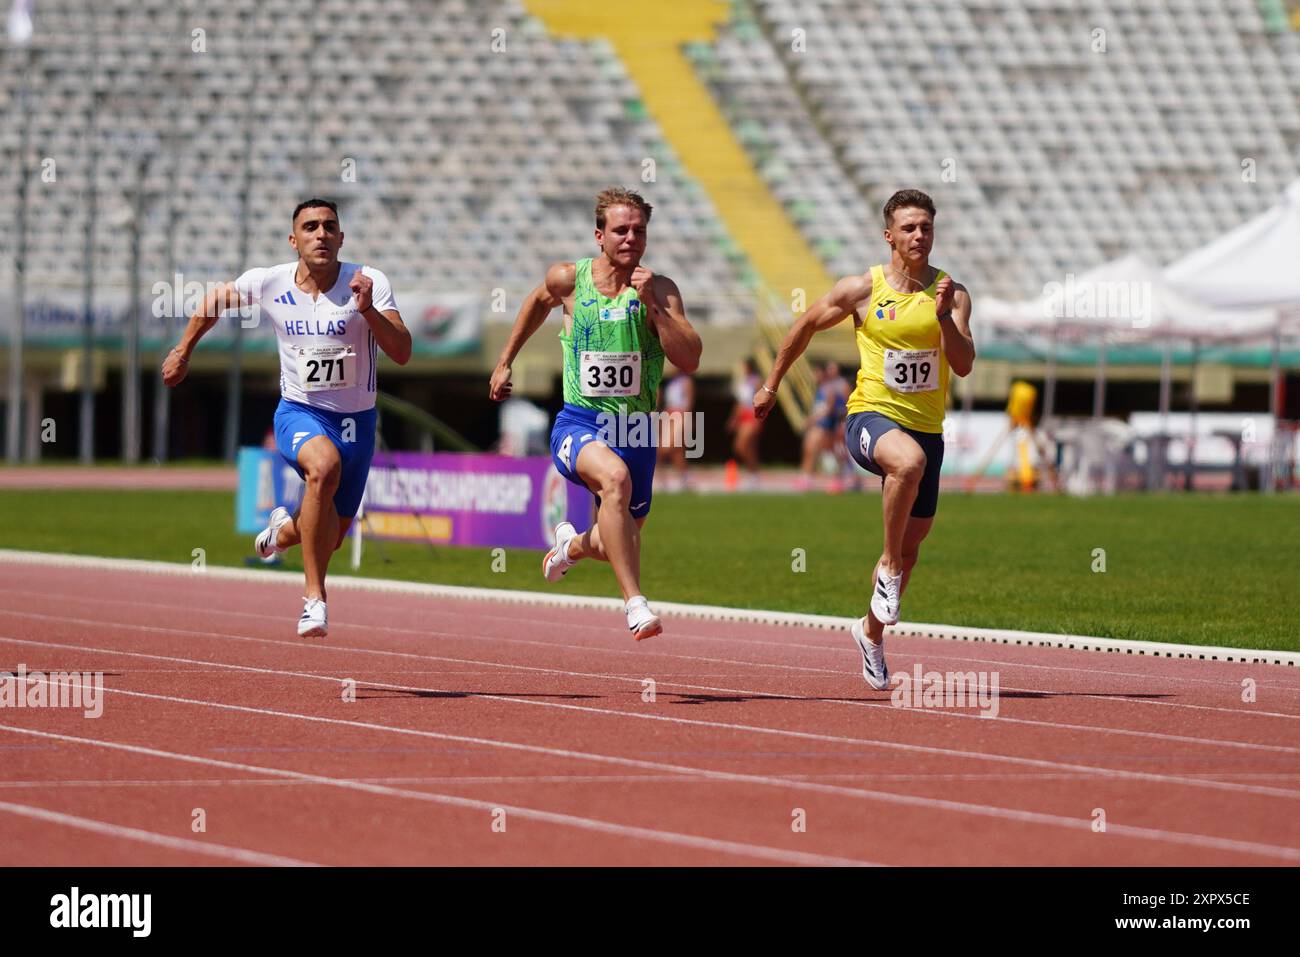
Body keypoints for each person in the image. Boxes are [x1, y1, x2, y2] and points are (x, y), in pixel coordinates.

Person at [754, 189, 975, 688]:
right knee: (908, 464)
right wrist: (771, 385)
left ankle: (870, 632)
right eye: (910, 227)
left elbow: (962, 365)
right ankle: (888, 567)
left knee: (916, 538)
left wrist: (942, 317)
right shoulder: (863, 289)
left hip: (926, 426)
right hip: (869, 417)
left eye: (927, 227)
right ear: (889, 236)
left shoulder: (952, 294)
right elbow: (805, 325)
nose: (920, 235)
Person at [162, 198, 410, 638]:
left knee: (329, 535)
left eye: (330, 227)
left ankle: (280, 532)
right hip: (300, 411)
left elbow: (402, 352)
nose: (321, 234)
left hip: (358, 423)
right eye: (311, 227)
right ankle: (315, 598)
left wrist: (368, 309)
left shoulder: (368, 281)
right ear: (294, 240)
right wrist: (184, 351)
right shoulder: (269, 281)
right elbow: (215, 300)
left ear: (341, 238)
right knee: (323, 467)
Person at [489, 187, 702, 640]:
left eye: (638, 231)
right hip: (580, 422)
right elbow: (536, 302)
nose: (630, 238)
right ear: (599, 235)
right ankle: (635, 604)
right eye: (620, 230)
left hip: (637, 428)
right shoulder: (569, 279)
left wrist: (655, 310)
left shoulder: (660, 290)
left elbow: (690, 358)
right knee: (614, 481)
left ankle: (571, 545)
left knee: (613, 541)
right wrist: (506, 359)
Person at [728, 358, 764, 488]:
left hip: (752, 414)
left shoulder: (756, 380)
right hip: (742, 415)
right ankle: (753, 475)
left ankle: (753, 473)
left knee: (741, 446)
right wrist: (734, 419)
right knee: (749, 447)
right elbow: (739, 402)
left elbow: (761, 399)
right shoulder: (743, 382)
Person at [657, 365, 694, 491]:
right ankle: (684, 479)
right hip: (669, 414)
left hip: (679, 415)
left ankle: (667, 480)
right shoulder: (671, 383)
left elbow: (688, 402)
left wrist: (684, 419)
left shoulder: (686, 381)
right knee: (677, 451)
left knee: (666, 448)